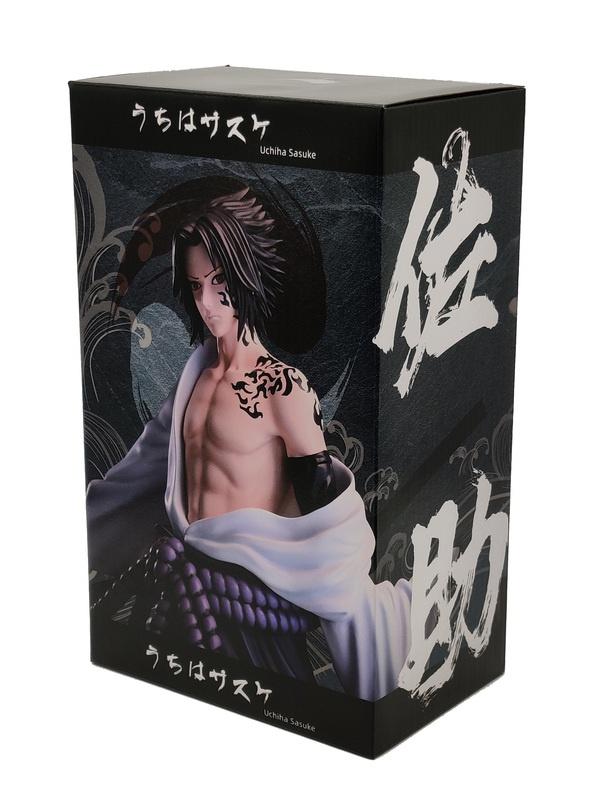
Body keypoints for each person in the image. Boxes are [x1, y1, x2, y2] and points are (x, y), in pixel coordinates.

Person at [87, 177, 411, 700]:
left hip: (248, 603)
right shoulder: (194, 377)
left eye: (220, 284)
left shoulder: (282, 388)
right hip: (183, 586)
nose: (207, 303)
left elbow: (322, 505)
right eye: (195, 286)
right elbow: (147, 465)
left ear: (246, 276)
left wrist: (341, 580)